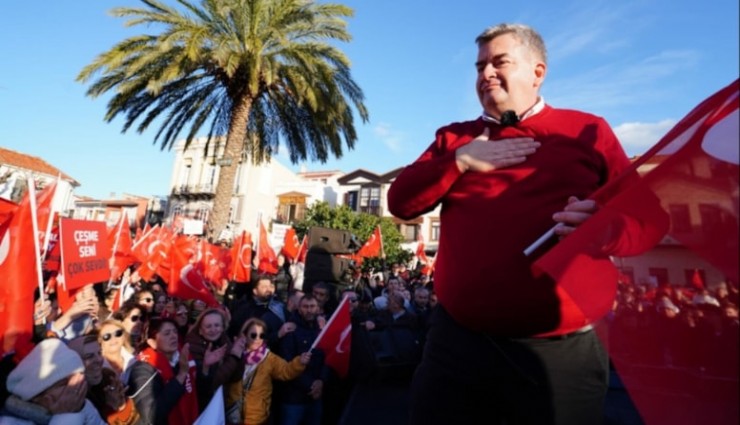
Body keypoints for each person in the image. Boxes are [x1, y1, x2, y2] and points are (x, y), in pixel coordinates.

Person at [388, 23, 639, 425]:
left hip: (560, 359)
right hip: (457, 348)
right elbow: (400, 201)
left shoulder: (588, 131)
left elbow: (646, 217)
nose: (485, 73)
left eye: (499, 62)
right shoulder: (455, 138)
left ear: (537, 72)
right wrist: (460, 162)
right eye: (479, 66)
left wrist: (604, 226)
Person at [226, 318, 311, 425]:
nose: (257, 339)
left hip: (257, 419)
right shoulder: (234, 354)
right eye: (253, 335)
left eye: (261, 336)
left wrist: (299, 362)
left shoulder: (269, 358)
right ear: (244, 335)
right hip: (233, 416)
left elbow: (286, 371)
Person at [1, 338, 105, 424]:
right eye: (65, 383)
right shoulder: (8, 422)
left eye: (79, 378)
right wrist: (67, 416)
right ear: (39, 395)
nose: (78, 387)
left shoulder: (82, 405)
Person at [128, 318, 198, 425]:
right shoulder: (142, 369)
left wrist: (206, 368)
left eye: (175, 331)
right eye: (167, 333)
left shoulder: (182, 356)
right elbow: (151, 416)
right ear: (152, 343)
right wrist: (181, 375)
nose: (174, 336)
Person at [185, 308, 246, 412]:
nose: (213, 330)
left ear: (223, 327)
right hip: (200, 406)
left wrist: (240, 355)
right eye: (208, 326)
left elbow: (236, 377)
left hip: (220, 403)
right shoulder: (192, 347)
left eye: (217, 325)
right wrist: (234, 357)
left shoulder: (225, 342)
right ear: (200, 330)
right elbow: (212, 382)